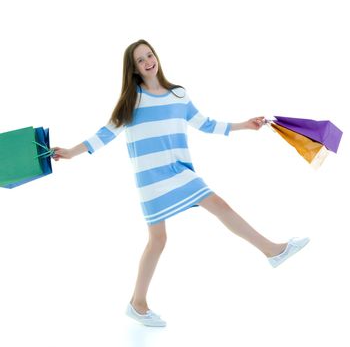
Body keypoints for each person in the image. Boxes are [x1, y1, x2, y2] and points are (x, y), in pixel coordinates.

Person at [53, 39, 310, 327]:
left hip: (179, 171)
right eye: (140, 59)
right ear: (134, 69)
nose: (148, 61)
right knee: (158, 241)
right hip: (150, 179)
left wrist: (243, 125)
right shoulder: (132, 100)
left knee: (217, 205)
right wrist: (72, 152)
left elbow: (206, 124)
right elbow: (105, 133)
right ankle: (138, 304)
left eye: (150, 55)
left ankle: (272, 250)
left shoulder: (179, 95)